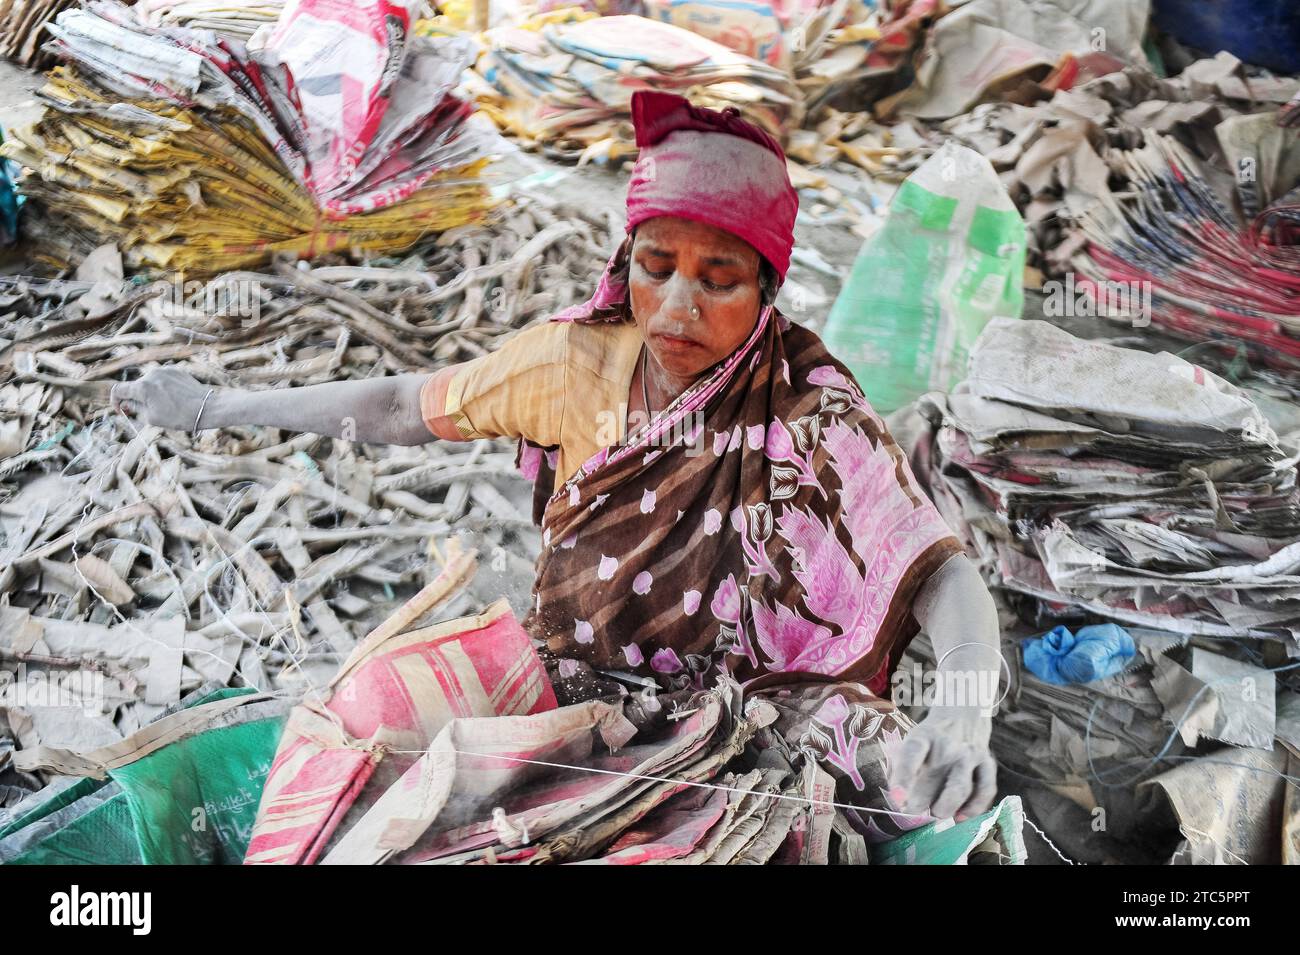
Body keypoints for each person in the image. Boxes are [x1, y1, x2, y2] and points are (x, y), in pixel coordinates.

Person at [114, 91, 1002, 831]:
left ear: (770, 288)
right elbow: (396, 406)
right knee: (370, 743)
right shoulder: (572, 364)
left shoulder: (809, 406)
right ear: (627, 262)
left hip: (763, 716)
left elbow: (940, 572)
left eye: (720, 278)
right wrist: (213, 406)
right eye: (656, 266)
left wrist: (960, 715)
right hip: (579, 692)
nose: (677, 307)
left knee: (903, 782)